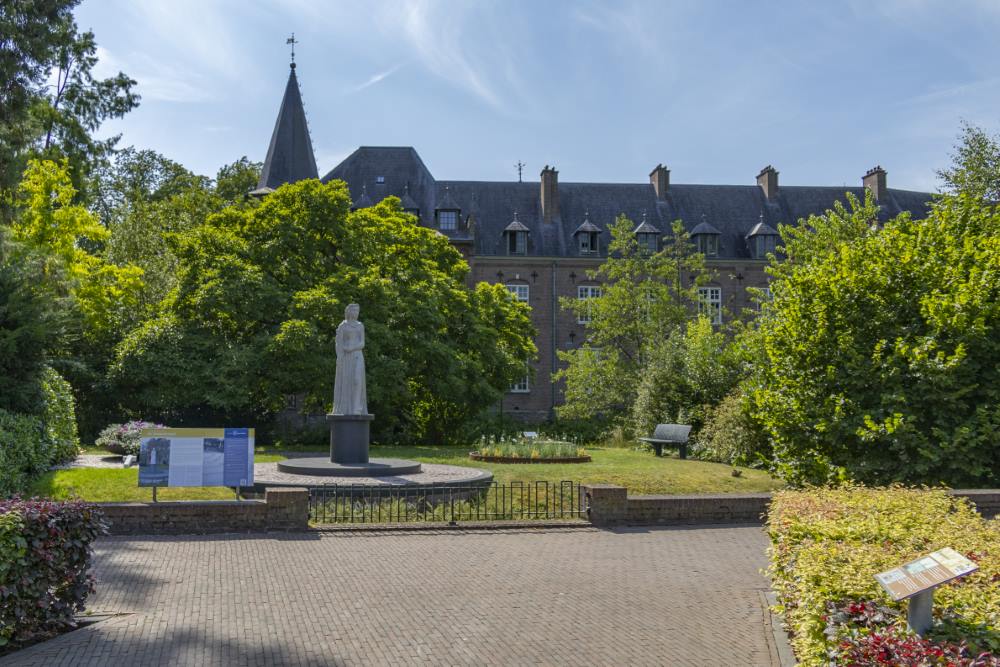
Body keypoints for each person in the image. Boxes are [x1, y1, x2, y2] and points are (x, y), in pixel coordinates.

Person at [332, 303, 368, 415]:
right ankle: (346, 408)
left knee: (357, 380)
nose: (356, 313)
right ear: (349, 312)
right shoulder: (343, 325)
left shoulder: (360, 325)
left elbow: (362, 343)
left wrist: (352, 348)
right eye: (354, 311)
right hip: (346, 357)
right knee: (347, 381)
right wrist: (340, 356)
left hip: (357, 355)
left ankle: (357, 408)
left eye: (358, 311)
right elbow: (339, 342)